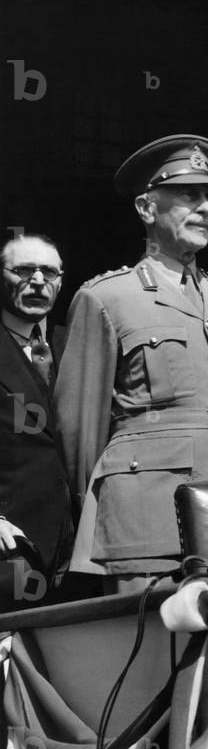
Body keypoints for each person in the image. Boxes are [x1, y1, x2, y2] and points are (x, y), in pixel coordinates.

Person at [55, 134, 208, 582]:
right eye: (188, 195)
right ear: (147, 209)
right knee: (149, 643)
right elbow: (79, 431)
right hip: (145, 520)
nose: (205, 207)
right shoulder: (107, 298)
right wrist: (105, 508)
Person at [0, 234, 73, 600]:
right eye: (24, 270)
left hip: (79, 548)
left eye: (49, 272)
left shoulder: (74, 344)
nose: (38, 281)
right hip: (12, 543)